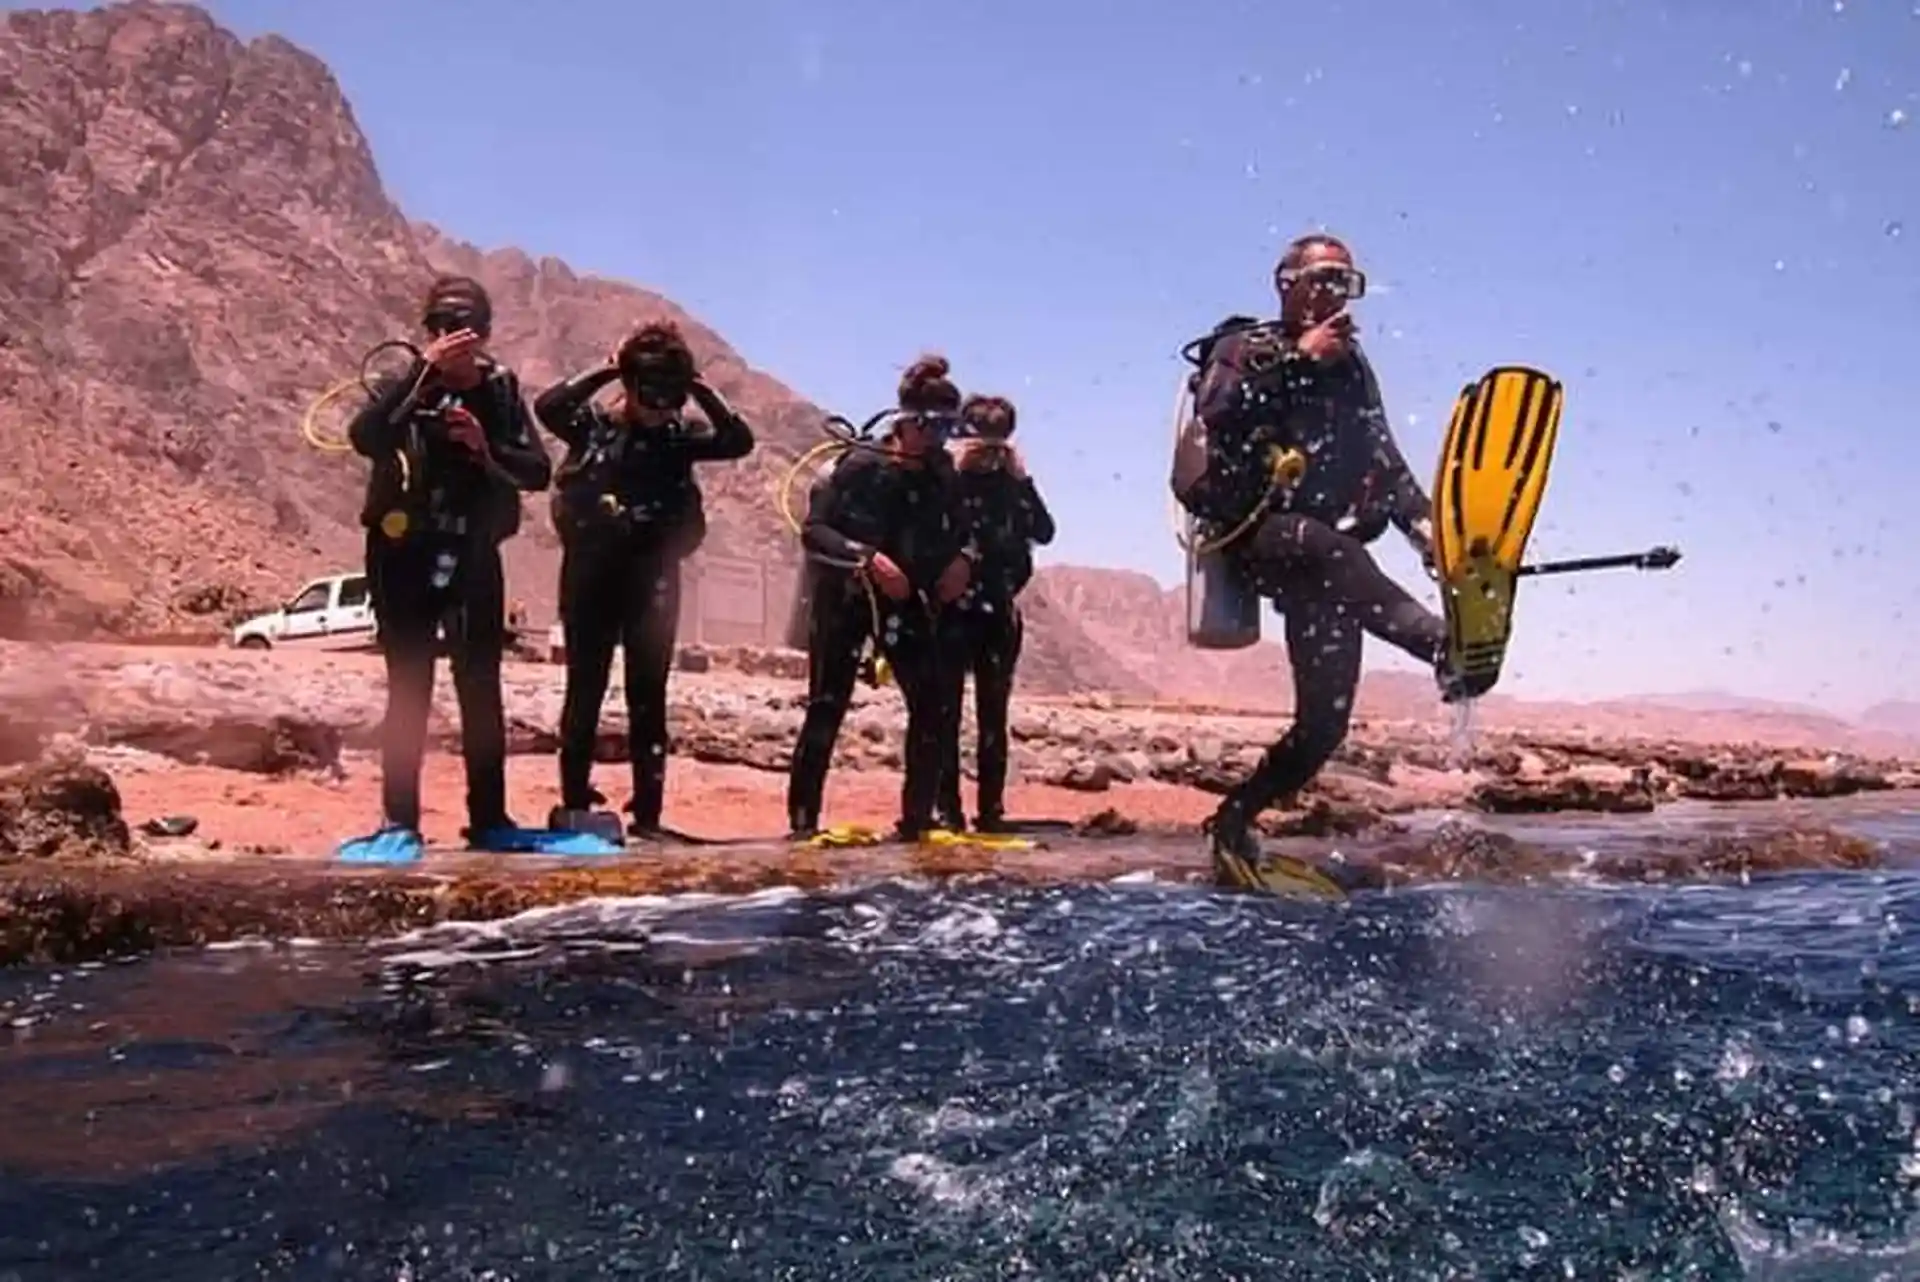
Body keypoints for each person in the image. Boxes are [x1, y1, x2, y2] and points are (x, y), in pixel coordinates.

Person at [1174, 234, 1458, 877]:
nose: (1334, 293)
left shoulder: (1353, 368)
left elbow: (1383, 456)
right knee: (1329, 549)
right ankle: (1445, 649)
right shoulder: (1246, 347)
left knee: (1322, 729)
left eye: (1347, 282)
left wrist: (1423, 530)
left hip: (1325, 560)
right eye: (1323, 278)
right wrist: (1297, 360)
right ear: (1287, 283)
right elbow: (1218, 410)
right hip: (1256, 534)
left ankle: (1234, 818)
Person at [343, 275, 553, 861]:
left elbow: (537, 471)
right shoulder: (402, 384)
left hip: (472, 553)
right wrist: (420, 374)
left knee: (480, 687)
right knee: (409, 687)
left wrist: (485, 448)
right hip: (401, 553)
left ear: (484, 334)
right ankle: (399, 820)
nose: (450, 338)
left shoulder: (502, 393)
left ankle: (489, 816)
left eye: (462, 327)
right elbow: (364, 436)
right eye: (438, 327)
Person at [533, 320, 755, 839]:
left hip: (652, 579)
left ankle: (649, 810)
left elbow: (739, 440)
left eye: (671, 398)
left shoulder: (680, 437)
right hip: (591, 575)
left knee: (648, 695)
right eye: (650, 394)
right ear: (629, 387)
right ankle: (574, 798)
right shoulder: (593, 427)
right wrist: (609, 368)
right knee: (584, 689)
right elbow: (548, 407)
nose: (660, 409)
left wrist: (701, 389)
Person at [786, 354, 974, 842]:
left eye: (948, 431)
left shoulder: (942, 474)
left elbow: (966, 530)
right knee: (828, 704)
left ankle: (916, 820)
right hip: (845, 598)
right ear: (907, 421)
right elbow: (815, 530)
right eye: (932, 429)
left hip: (905, 602)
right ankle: (803, 822)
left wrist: (965, 559)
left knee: (932, 705)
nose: (938, 442)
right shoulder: (860, 466)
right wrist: (866, 557)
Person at [933, 394, 1055, 833]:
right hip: (953, 612)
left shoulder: (1011, 485)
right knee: (947, 711)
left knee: (990, 714)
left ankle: (988, 808)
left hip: (997, 611)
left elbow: (1045, 530)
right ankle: (949, 807)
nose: (987, 457)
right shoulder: (948, 482)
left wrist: (1022, 479)